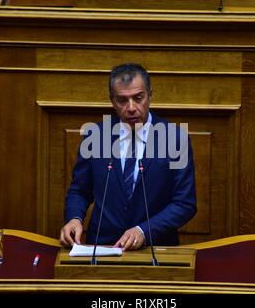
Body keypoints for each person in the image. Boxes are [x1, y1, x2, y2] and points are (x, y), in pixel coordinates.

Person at [60, 63, 196, 251]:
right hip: (102, 247)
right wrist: (74, 218)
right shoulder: (96, 136)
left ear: (150, 95)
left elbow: (184, 203)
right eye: (122, 100)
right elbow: (80, 190)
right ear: (112, 101)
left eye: (138, 98)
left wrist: (144, 230)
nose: (131, 108)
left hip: (154, 248)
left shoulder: (175, 139)